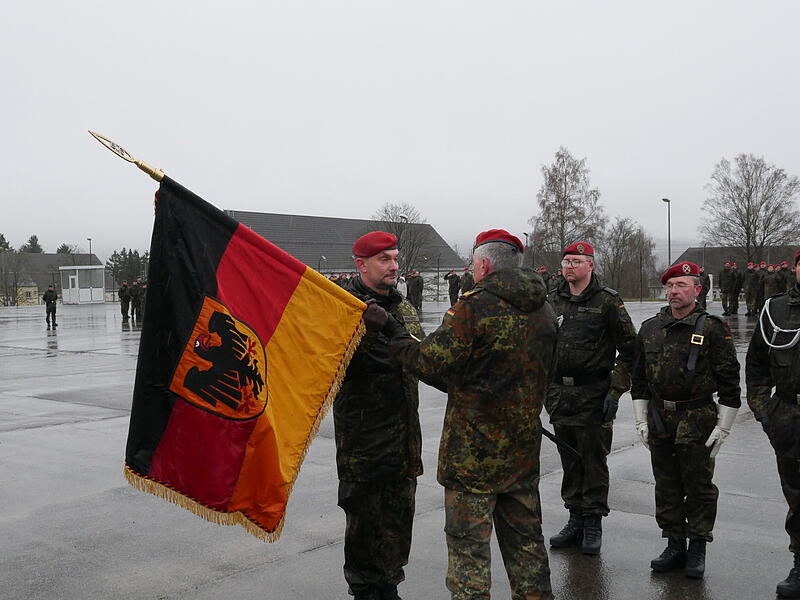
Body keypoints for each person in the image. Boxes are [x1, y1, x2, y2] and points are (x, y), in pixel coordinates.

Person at [387, 228, 556, 599]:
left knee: (469, 558)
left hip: (472, 457)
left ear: (483, 264)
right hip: (522, 453)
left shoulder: (473, 307)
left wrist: (394, 334)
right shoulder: (545, 309)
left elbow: (430, 362)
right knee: (527, 549)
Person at [631, 261, 740, 579]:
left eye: (681, 285)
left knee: (699, 486)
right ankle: (675, 543)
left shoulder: (712, 328)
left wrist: (724, 426)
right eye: (670, 286)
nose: (674, 291)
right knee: (666, 484)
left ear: (697, 289)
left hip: (697, 417)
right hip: (660, 417)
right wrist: (640, 418)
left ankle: (697, 548)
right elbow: (639, 379)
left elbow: (730, 382)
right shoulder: (651, 328)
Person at [334, 231, 425, 600]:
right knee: (365, 529)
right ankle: (366, 591)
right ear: (362, 264)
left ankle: (388, 586)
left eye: (395, 259)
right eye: (384, 259)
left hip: (404, 441)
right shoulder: (342, 307)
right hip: (364, 444)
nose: (394, 266)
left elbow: (422, 358)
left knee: (398, 524)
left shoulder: (403, 309)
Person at [545, 241, 637, 555]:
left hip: (594, 394)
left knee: (593, 461)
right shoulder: (550, 301)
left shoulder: (608, 302)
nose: (569, 267)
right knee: (569, 461)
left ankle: (593, 522)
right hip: (559, 395)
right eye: (566, 261)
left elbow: (631, 351)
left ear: (591, 266)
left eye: (576, 261)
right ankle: (575, 519)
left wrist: (615, 389)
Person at [746, 249, 800, 598]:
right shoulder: (775, 309)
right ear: (795, 269)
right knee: (797, 496)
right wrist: (766, 412)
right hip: (790, 418)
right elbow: (756, 368)